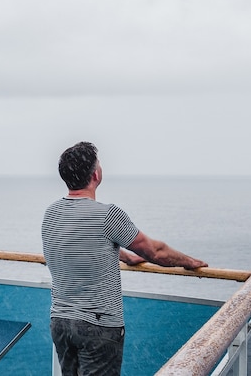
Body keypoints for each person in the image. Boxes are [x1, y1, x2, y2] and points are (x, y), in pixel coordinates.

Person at [42, 141, 208, 376]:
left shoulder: (52, 213)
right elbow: (155, 253)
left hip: (61, 321)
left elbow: (78, 241)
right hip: (98, 325)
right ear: (96, 174)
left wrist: (120, 253)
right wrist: (188, 262)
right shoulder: (108, 215)